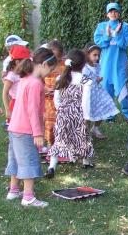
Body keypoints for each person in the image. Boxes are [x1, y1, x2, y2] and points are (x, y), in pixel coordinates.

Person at [6, 47, 56, 207]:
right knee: (29, 161)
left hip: (14, 127)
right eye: (50, 70)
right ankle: (28, 197)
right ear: (44, 65)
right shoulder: (35, 84)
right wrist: (38, 133)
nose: (49, 74)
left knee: (16, 159)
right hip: (26, 130)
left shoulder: (25, 78)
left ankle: (14, 190)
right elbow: (33, 110)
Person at [46, 50, 95, 178]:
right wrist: (86, 117)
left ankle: (51, 167)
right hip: (78, 114)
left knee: (59, 140)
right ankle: (86, 162)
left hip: (62, 113)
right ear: (83, 64)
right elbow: (85, 102)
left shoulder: (60, 78)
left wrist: (61, 110)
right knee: (83, 138)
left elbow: (56, 99)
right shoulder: (86, 81)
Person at [93, 2, 128, 105]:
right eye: (110, 12)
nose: (113, 14)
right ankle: (108, 113)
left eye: (115, 11)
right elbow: (100, 43)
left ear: (119, 13)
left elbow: (125, 44)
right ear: (107, 14)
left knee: (122, 89)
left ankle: (127, 112)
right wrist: (107, 35)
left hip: (120, 64)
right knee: (105, 90)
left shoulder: (125, 27)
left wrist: (118, 34)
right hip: (106, 64)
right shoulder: (101, 26)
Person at [83, 44, 120, 139]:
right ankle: (85, 133)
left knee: (104, 108)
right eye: (94, 55)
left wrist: (98, 79)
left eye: (98, 55)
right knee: (88, 113)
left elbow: (96, 77)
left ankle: (95, 128)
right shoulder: (84, 68)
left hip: (98, 92)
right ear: (87, 54)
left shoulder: (97, 66)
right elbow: (82, 81)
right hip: (88, 94)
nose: (97, 58)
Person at [42, 40, 65, 147]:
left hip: (61, 98)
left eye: (58, 57)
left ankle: (61, 141)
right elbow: (39, 80)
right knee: (49, 120)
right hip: (48, 99)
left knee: (60, 119)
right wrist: (45, 88)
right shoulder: (44, 65)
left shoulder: (65, 65)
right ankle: (50, 141)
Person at [2, 45, 31, 126]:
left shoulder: (24, 73)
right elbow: (4, 93)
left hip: (25, 102)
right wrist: (8, 110)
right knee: (16, 126)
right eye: (27, 62)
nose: (29, 65)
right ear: (17, 62)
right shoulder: (11, 75)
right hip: (16, 104)